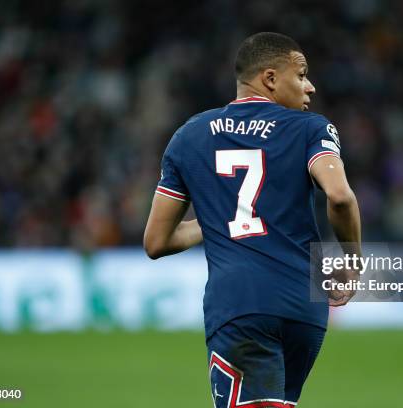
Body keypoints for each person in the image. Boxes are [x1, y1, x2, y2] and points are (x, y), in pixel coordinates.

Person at [144, 32, 361, 408]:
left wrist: (216, 219)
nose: (310, 87)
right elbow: (339, 196)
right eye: (302, 75)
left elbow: (156, 242)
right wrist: (354, 260)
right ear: (271, 79)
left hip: (240, 305)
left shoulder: (189, 136)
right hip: (303, 309)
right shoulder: (312, 129)